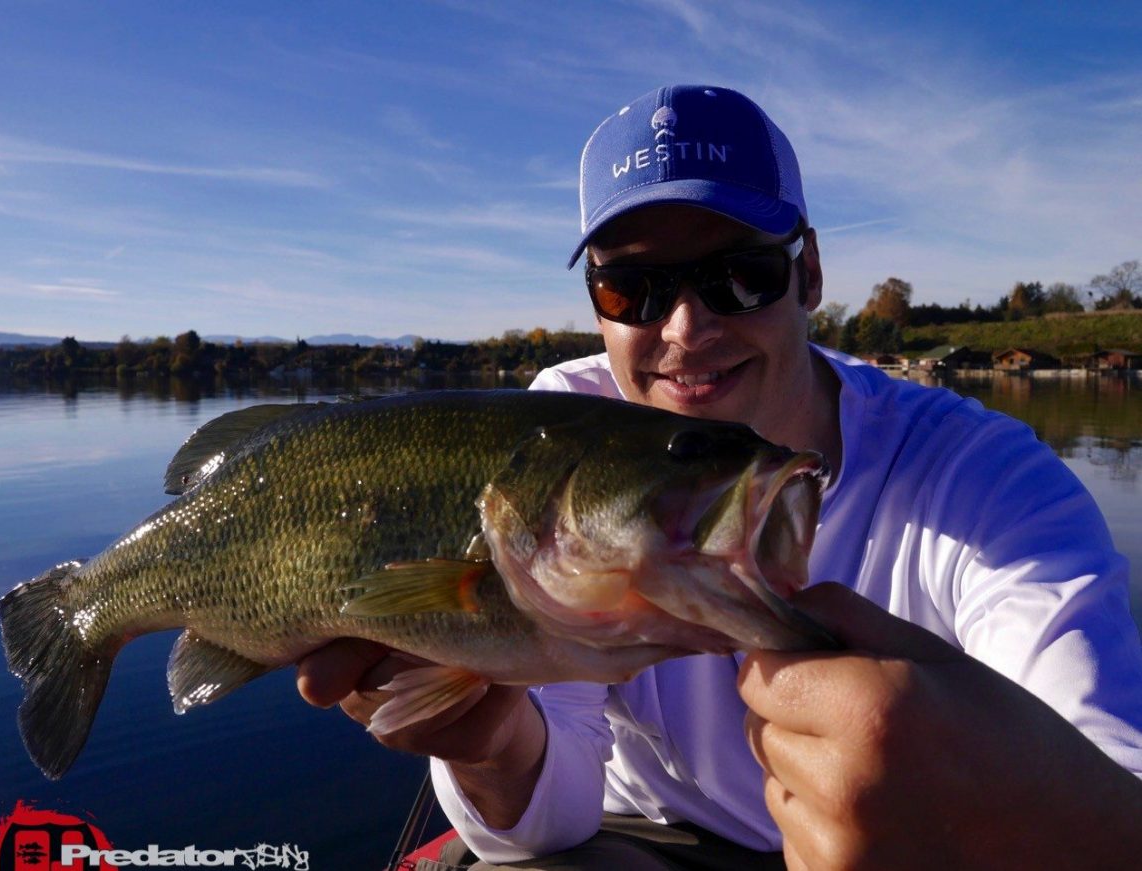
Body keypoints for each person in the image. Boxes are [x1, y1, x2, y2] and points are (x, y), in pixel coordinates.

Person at [297, 85, 1142, 869]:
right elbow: (556, 820)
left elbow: (1109, 757)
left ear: (808, 273)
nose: (686, 329)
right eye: (631, 287)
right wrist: (493, 747)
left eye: (741, 273)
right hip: (644, 838)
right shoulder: (561, 433)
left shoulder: (984, 477)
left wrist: (1029, 820)